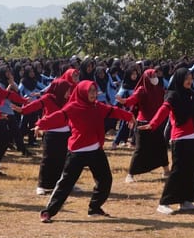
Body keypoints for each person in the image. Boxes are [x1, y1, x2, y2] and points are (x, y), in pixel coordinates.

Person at [36, 80, 135, 222]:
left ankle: (94, 208)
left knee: (105, 180)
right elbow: (58, 116)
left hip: (95, 150)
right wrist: (41, 124)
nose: (93, 94)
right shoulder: (73, 107)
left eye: (95, 91)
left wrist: (129, 116)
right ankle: (48, 212)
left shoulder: (97, 107)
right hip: (77, 152)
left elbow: (113, 111)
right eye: (90, 91)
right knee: (65, 184)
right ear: (82, 92)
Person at [142, 68, 194, 214]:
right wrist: (153, 124)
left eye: (191, 78)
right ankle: (164, 203)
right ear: (179, 79)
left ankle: (186, 201)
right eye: (186, 78)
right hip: (179, 138)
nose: (189, 81)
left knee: (191, 172)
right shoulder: (172, 95)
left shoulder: (193, 95)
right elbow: (163, 110)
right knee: (177, 172)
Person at [19, 71, 76, 195]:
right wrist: (22, 110)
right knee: (48, 159)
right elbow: (35, 105)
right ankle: (42, 185)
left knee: (65, 160)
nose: (69, 93)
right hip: (51, 134)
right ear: (60, 90)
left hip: (65, 133)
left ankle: (65, 183)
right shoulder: (48, 98)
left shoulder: (67, 100)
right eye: (67, 90)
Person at [118, 68, 169, 182]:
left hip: (156, 123)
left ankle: (166, 171)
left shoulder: (159, 89)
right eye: (152, 76)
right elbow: (132, 100)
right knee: (140, 150)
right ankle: (130, 174)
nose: (155, 78)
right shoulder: (141, 90)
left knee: (161, 147)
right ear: (147, 78)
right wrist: (124, 101)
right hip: (143, 124)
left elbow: (166, 101)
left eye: (155, 75)